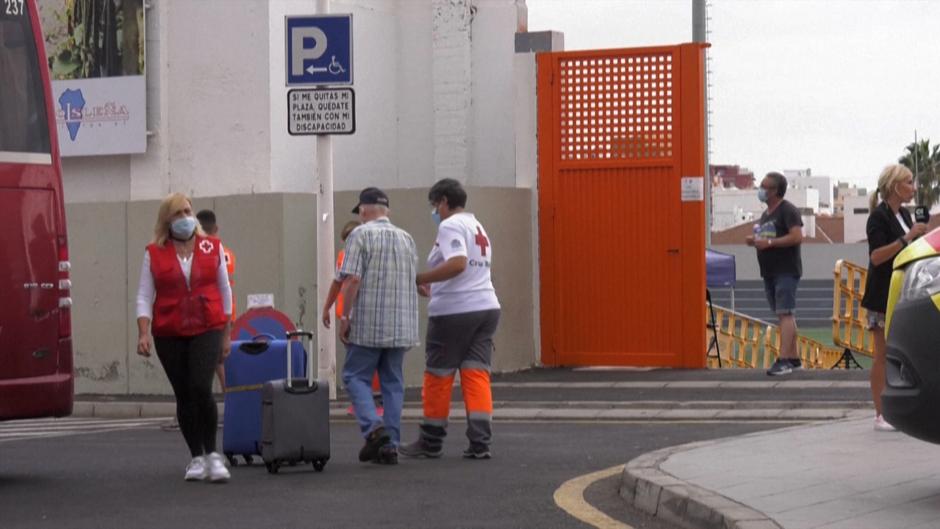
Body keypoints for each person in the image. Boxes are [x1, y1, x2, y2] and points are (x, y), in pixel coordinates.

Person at [400, 178, 501, 460]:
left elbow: (457, 263)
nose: (435, 211)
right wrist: (434, 286)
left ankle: (431, 441)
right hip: (486, 307)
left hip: (455, 312)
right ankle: (480, 442)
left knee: (438, 375)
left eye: (435, 205)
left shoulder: (450, 225)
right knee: (476, 374)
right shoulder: (477, 226)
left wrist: (420, 278)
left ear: (444, 201)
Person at [136, 193, 233, 483]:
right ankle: (196, 456)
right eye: (178, 214)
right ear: (167, 220)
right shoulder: (154, 252)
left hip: (207, 326)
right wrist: (143, 332)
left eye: (187, 211)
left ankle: (214, 455)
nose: (185, 218)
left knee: (200, 386)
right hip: (169, 330)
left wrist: (226, 334)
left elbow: (225, 290)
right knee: (184, 393)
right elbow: (143, 295)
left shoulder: (211, 247)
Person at [337, 187, 419, 465]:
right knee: (392, 383)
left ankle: (374, 428)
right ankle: (390, 446)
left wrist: (344, 317)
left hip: (369, 324)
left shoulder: (360, 235)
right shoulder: (407, 238)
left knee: (354, 376)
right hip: (401, 324)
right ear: (388, 211)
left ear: (363, 210)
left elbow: (352, 280)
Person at [861, 164, 927, 431]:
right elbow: (876, 256)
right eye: (909, 182)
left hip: (904, 292)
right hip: (882, 294)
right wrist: (906, 239)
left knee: (903, 351)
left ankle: (903, 410)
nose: (913, 188)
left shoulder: (905, 216)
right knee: (882, 353)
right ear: (895, 186)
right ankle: (881, 413)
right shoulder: (878, 217)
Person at [321, 220, 384, 417]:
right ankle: (373, 402)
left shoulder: (348, 256)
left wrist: (330, 309)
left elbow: (340, 283)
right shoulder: (373, 254)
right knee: (372, 360)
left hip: (355, 315)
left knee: (359, 364)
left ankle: (366, 402)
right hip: (366, 313)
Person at [745, 172, 804, 376]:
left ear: (775, 190)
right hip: (770, 271)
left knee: (785, 313)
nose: (760, 190)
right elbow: (768, 237)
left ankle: (785, 359)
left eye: (764, 186)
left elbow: (796, 236)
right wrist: (756, 241)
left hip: (785, 270)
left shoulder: (788, 210)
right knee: (784, 313)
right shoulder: (766, 214)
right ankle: (794, 358)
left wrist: (770, 243)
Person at [196, 209, 236, 392]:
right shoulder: (226, 252)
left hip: (208, 311)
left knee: (212, 358)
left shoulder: (198, 251)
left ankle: (226, 392)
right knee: (220, 355)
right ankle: (229, 392)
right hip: (227, 310)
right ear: (216, 228)